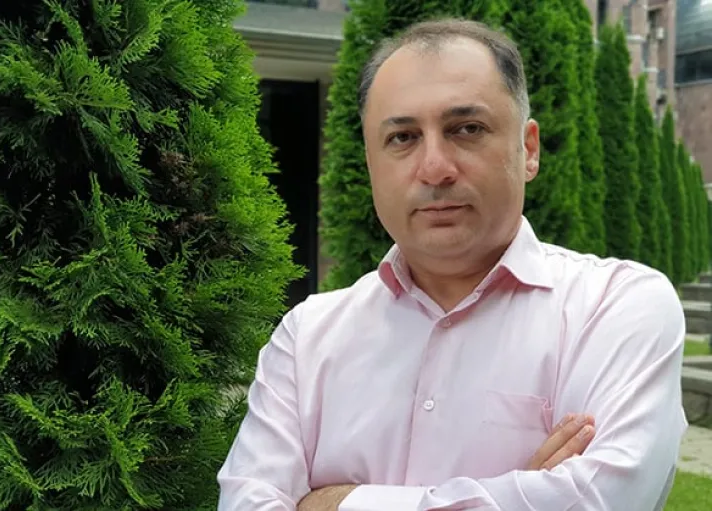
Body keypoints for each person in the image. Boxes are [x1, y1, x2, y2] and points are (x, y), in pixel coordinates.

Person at [217, 18, 687, 511]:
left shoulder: (617, 309)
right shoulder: (306, 339)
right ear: (371, 162)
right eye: (402, 137)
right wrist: (519, 494)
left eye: (467, 129)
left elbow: (599, 502)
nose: (435, 168)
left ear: (528, 149)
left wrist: (332, 503)